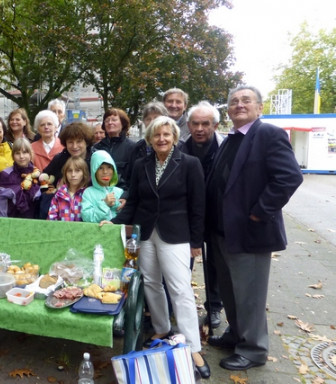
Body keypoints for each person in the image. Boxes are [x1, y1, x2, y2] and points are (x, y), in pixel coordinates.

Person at [103, 116, 210, 379]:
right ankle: (162, 328)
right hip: (146, 232)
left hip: (177, 235)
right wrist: (115, 221)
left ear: (174, 136)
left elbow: (198, 205)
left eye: (166, 134)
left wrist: (196, 241)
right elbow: (134, 201)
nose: (161, 139)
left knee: (180, 288)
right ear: (149, 139)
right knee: (150, 282)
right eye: (156, 135)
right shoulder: (142, 164)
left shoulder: (189, 164)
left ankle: (192, 347)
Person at [205, 85, 303, 371]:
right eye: (233, 101)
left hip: (249, 232)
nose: (239, 105)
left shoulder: (268, 134)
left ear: (260, 107)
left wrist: (260, 212)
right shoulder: (231, 139)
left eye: (246, 100)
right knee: (231, 291)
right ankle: (237, 334)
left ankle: (254, 350)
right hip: (223, 232)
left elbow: (289, 177)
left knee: (249, 294)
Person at [180, 101, 225, 329]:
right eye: (195, 124)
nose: (199, 128)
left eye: (205, 124)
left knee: (215, 263)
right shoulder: (180, 149)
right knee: (182, 262)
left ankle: (214, 306)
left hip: (217, 215)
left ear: (215, 125)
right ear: (188, 125)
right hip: (187, 216)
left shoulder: (225, 148)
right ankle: (179, 306)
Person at [40, 122, 93, 219]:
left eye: (79, 141)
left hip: (88, 210)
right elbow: (45, 176)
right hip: (62, 211)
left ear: (86, 142)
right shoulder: (60, 159)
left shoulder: (94, 159)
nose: (74, 146)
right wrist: (50, 190)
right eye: (70, 142)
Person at [92, 108, 137, 193]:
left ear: (122, 123)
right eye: (107, 120)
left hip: (123, 196)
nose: (110, 123)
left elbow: (135, 177)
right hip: (100, 196)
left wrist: (126, 196)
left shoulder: (132, 147)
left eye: (114, 120)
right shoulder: (96, 148)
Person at [0, 138, 41, 218]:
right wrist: (2, 223)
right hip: (11, 221)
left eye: (25, 152)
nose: (21, 156)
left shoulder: (37, 175)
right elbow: (1, 203)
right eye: (17, 153)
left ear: (30, 154)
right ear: (13, 156)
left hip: (33, 221)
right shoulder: (5, 175)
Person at [81, 150, 123, 222]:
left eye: (109, 167)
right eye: (100, 168)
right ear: (94, 171)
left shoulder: (120, 192)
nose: (105, 172)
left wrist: (116, 204)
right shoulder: (88, 193)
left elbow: (127, 215)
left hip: (118, 232)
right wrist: (104, 204)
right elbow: (87, 218)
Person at [47, 157, 89, 221]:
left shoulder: (87, 194)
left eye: (77, 171)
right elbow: (51, 218)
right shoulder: (59, 194)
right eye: (69, 171)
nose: (73, 174)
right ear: (65, 174)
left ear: (84, 173)